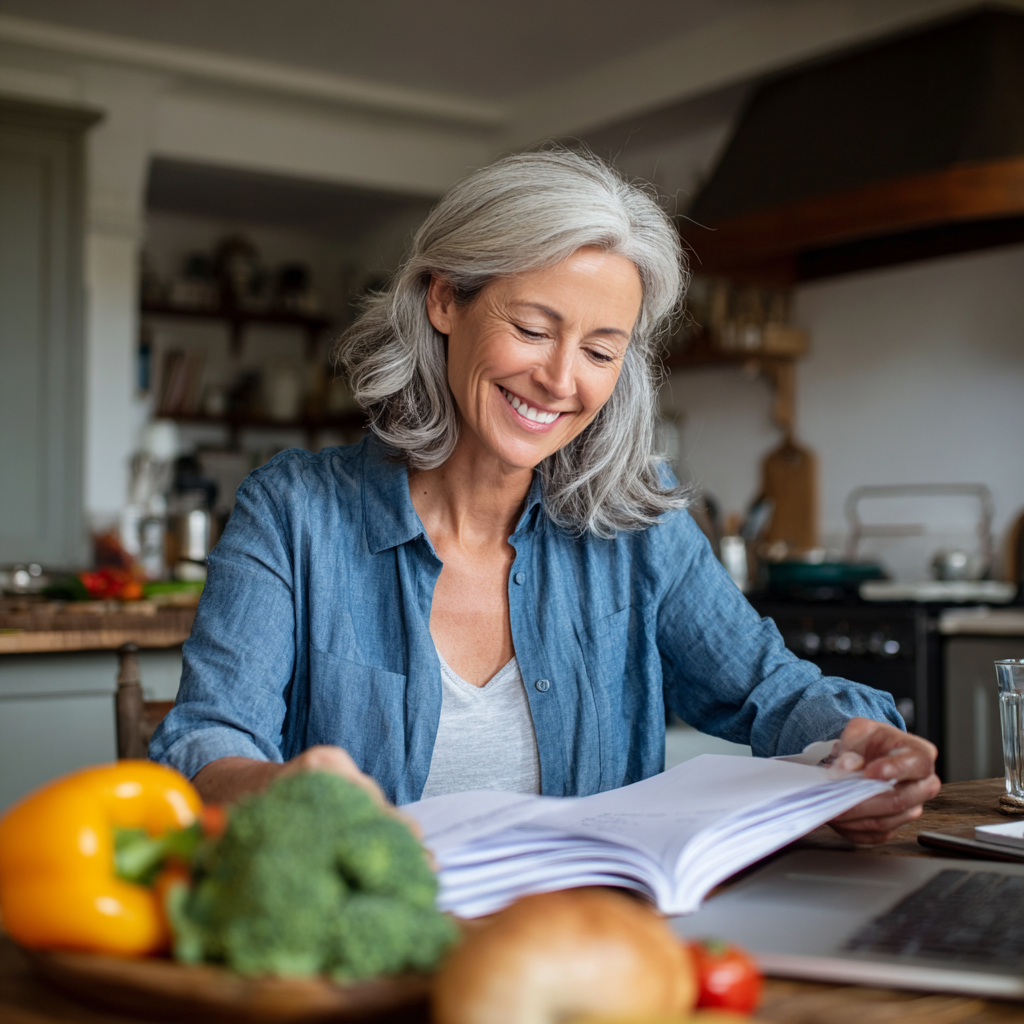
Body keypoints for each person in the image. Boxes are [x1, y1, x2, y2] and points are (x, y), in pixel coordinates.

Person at [150, 149, 939, 844]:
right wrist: (269, 789)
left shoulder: (639, 521)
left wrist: (858, 745)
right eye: (531, 329)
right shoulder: (293, 514)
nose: (561, 381)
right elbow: (207, 742)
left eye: (600, 350)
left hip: (587, 950)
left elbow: (769, 690)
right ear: (445, 300)